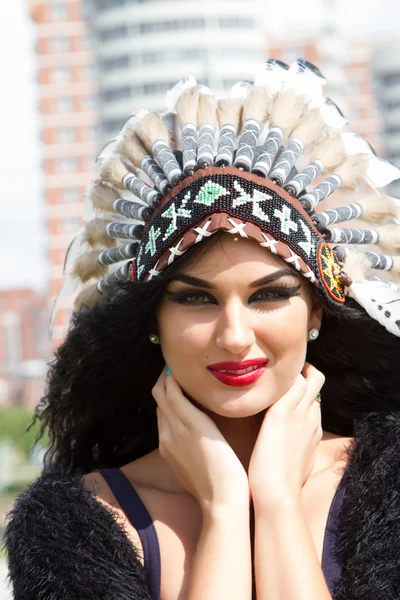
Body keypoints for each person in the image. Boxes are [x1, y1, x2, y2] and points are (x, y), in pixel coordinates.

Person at [4, 59, 400, 600]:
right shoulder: (76, 524)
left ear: (316, 312)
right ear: (151, 322)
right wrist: (223, 509)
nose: (235, 335)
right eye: (195, 298)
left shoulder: (391, 486)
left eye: (270, 295)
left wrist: (278, 502)